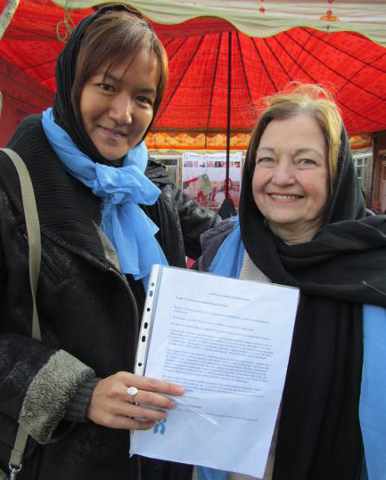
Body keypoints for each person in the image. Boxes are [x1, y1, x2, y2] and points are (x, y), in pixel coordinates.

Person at [0, 5, 216, 479]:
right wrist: (77, 392)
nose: (123, 114)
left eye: (143, 97)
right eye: (106, 86)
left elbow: (224, 235)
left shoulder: (146, 187)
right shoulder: (13, 186)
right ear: (72, 82)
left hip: (159, 454)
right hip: (57, 462)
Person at [196, 84, 386, 480]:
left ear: (337, 173)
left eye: (305, 162)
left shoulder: (375, 266)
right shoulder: (221, 257)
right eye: (266, 159)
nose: (281, 178)